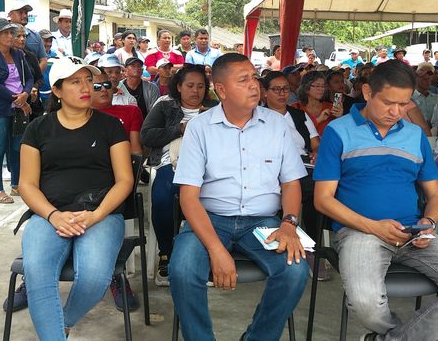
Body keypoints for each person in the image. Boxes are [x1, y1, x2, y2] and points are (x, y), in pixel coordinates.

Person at [313, 59, 438, 341]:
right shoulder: (338, 131)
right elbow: (322, 200)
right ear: (367, 92)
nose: (396, 112)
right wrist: (374, 227)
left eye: (404, 104)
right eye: (388, 103)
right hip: (359, 232)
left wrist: (428, 222)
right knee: (365, 303)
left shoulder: (414, 135)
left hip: (413, 233)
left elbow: (435, 195)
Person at [168, 53, 309, 341]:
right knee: (182, 270)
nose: (254, 85)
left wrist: (289, 224)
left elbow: (291, 183)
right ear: (221, 89)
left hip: (263, 221)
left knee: (295, 271)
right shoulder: (200, 128)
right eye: (243, 80)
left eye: (254, 78)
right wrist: (216, 250)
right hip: (210, 219)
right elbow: (188, 198)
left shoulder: (277, 125)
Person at [17, 56, 133, 340]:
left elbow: (125, 180)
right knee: (37, 272)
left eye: (89, 81)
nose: (86, 87)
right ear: (57, 90)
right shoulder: (38, 129)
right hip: (49, 214)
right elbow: (27, 184)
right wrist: (53, 215)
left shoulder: (111, 126)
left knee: (95, 276)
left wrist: (96, 215)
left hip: (101, 214)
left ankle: (63, 321)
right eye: (75, 81)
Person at [141, 64, 217, 287]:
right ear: (179, 87)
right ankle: (167, 253)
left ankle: (205, 254)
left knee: (216, 198)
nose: (195, 91)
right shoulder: (165, 104)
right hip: (171, 163)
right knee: (163, 198)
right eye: (190, 86)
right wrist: (180, 129)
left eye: (201, 86)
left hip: (209, 165)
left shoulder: (215, 108)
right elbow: (147, 136)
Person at [261, 71, 329, 280]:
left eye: (285, 89)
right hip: (270, 164)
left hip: (302, 163)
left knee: (317, 192)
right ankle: (291, 244)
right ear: (265, 92)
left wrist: (317, 152)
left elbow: (315, 144)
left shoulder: (299, 115)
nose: (282, 93)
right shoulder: (257, 115)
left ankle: (311, 248)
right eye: (276, 89)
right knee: (293, 187)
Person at [0, 18, 33, 202]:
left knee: (17, 148)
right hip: (1, 108)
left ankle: (16, 185)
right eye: (6, 33)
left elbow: (29, 77)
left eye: (11, 32)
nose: (11, 36)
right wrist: (18, 100)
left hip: (19, 107)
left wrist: (25, 94)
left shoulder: (18, 54)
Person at [292, 71, 341, 136]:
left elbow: (340, 132)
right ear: (306, 88)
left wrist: (339, 118)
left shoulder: (331, 107)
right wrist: (318, 120)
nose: (321, 89)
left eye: (323, 86)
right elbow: (295, 133)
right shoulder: (295, 108)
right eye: (317, 86)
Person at [8, 3, 47, 71]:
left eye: (26, 13)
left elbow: (43, 60)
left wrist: (35, 75)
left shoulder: (35, 36)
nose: (25, 16)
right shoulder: (4, 35)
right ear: (10, 15)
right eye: (20, 12)